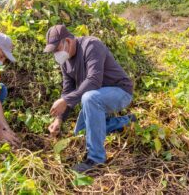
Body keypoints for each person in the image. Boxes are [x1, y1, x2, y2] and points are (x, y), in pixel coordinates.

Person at [44, 25, 135, 173]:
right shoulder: (65, 61)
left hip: (120, 92)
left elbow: (94, 81)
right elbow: (68, 90)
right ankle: (125, 121)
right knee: (81, 133)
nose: (56, 54)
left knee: (89, 97)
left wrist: (66, 101)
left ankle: (96, 159)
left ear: (67, 41)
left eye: (56, 49)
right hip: (98, 98)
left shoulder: (91, 45)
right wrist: (58, 120)